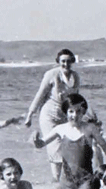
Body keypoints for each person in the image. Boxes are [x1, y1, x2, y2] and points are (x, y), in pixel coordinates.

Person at [24, 49, 84, 181]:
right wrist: (30, 115)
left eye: (68, 61)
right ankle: (56, 180)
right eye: (63, 61)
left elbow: (77, 99)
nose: (66, 64)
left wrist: (83, 116)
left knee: (69, 147)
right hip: (49, 116)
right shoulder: (51, 74)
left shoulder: (75, 76)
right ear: (58, 62)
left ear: (72, 61)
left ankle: (66, 180)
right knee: (54, 147)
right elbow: (40, 95)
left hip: (66, 116)